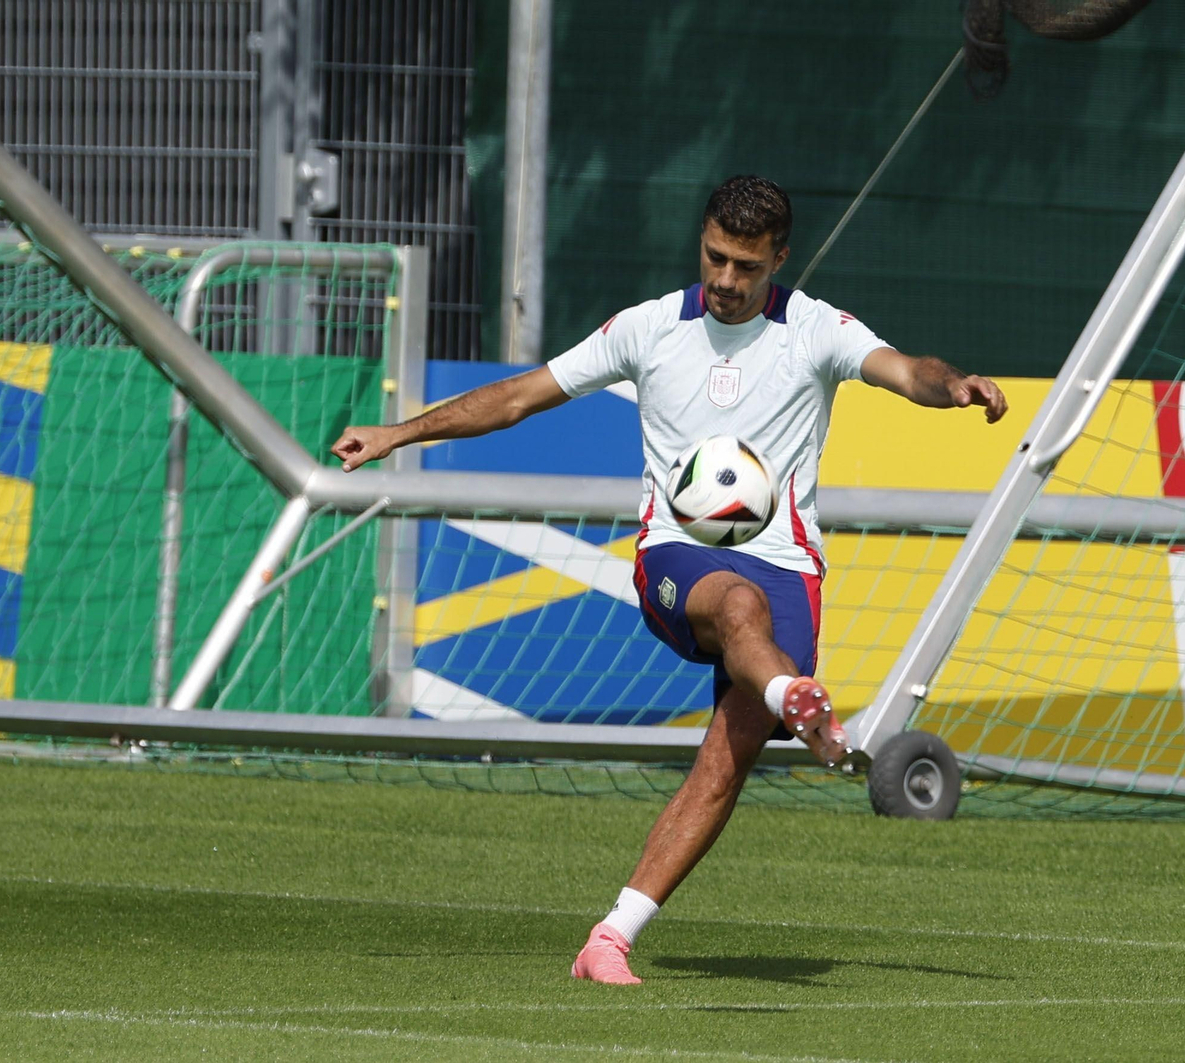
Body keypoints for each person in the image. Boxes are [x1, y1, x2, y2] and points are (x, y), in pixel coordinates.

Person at [331, 175, 1007, 985]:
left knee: (726, 758)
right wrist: (396, 434)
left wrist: (955, 385)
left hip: (790, 564)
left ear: (778, 260)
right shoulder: (648, 328)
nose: (725, 279)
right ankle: (795, 696)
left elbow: (906, 370)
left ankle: (609, 937)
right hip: (676, 558)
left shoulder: (815, 329)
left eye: (746, 267)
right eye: (715, 257)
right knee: (737, 603)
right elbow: (517, 398)